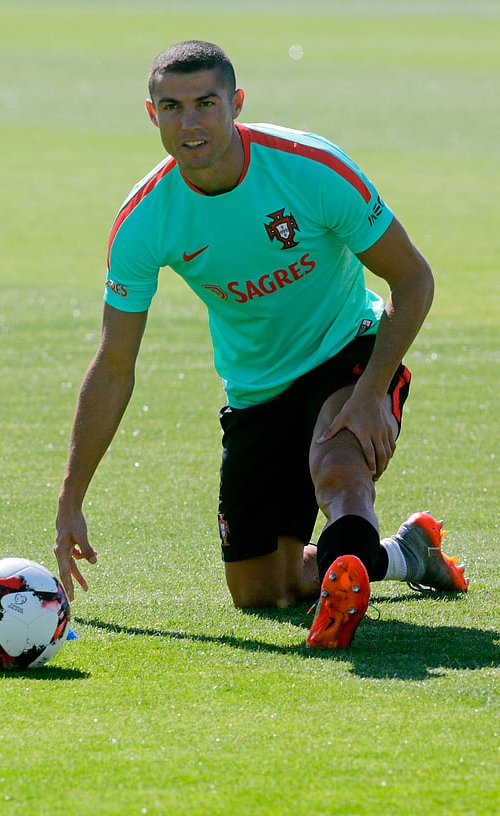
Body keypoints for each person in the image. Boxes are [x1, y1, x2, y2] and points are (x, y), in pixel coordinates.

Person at [54, 40, 468, 650]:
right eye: (172, 106)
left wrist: (374, 390)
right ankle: (402, 554)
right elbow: (114, 365)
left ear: (236, 104)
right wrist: (71, 501)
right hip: (256, 389)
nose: (189, 122)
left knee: (339, 465)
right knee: (261, 593)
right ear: (152, 115)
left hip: (347, 347)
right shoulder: (146, 220)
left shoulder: (310, 169)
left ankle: (343, 609)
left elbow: (412, 278)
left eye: (205, 103)